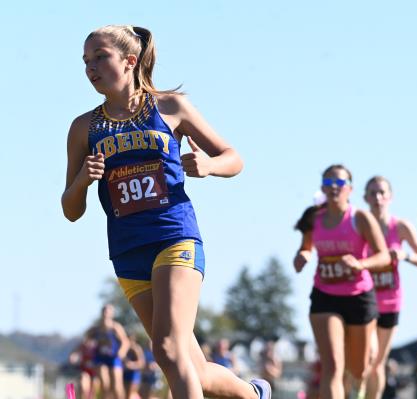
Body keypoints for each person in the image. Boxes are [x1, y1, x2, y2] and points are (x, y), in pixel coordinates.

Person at [62, 24, 270, 399]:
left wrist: (208, 165)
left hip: (174, 238)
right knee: (195, 370)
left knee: (168, 350)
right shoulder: (83, 128)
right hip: (127, 252)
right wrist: (82, 182)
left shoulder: (170, 106)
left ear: (129, 60)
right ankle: (255, 394)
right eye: (85, 61)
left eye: (100, 57)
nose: (90, 67)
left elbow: (233, 158)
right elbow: (70, 210)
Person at [293, 164, 391, 399]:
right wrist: (302, 256)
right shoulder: (314, 218)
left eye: (339, 183)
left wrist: (360, 264)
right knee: (333, 366)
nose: (334, 188)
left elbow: (384, 256)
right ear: (322, 189)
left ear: (350, 189)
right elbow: (306, 247)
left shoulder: (360, 218)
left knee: (358, 368)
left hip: (359, 297)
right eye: (328, 183)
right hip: (325, 296)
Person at [362, 176, 417, 399]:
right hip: (363, 300)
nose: (377, 198)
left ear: (390, 197)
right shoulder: (359, 225)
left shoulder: (399, 227)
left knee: (377, 361)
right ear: (365, 198)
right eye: (372, 193)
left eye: (382, 192)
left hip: (390, 301)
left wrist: (405, 255)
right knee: (365, 358)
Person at [88, 304, 129, 399]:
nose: (105, 313)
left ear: (112, 314)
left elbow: (125, 341)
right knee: (104, 382)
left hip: (114, 357)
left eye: (108, 311)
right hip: (100, 357)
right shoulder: (96, 329)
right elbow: (87, 340)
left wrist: (121, 352)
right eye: (104, 311)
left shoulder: (115, 327)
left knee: (116, 386)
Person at [68, 329, 99, 399]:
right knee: (83, 385)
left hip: (95, 372)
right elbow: (75, 352)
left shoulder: (97, 346)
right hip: (85, 371)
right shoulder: (83, 345)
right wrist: (73, 357)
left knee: (92, 392)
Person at [123, 332, 145, 399]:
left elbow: (142, 363)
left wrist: (131, 365)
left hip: (134, 375)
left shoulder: (136, 349)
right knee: (125, 395)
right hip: (125, 375)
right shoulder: (125, 349)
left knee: (131, 395)